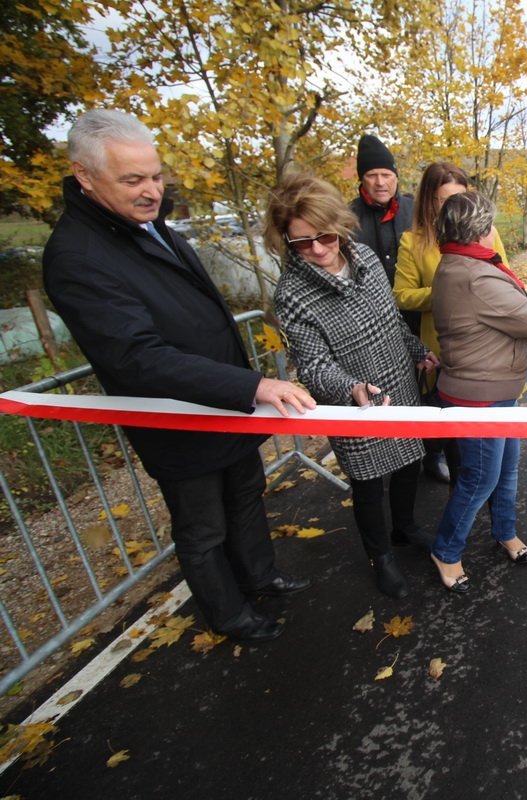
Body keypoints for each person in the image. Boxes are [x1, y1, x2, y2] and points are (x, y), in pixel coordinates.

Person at [42, 109, 314, 643]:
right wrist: (253, 385)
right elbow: (135, 356)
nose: (152, 191)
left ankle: (261, 577)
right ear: (84, 176)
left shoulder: (145, 224)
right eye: (133, 179)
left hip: (224, 407)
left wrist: (239, 388)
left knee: (244, 495)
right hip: (177, 420)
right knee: (203, 525)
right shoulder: (77, 255)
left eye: (156, 175)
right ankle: (228, 613)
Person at [266, 171, 438, 600]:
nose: (317, 249)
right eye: (301, 243)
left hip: (399, 384)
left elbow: (393, 322)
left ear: (339, 226)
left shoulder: (364, 257)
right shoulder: (292, 294)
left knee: (408, 464)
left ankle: (405, 526)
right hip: (354, 404)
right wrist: (352, 388)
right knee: (366, 482)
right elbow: (314, 366)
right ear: (286, 242)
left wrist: (418, 351)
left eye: (324, 236)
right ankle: (380, 557)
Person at [428, 191, 527, 593]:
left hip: (495, 386)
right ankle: (446, 551)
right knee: (481, 478)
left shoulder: (461, 264)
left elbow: (490, 324)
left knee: (506, 469)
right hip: (479, 395)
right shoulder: (475, 274)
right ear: (483, 229)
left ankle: (504, 531)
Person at [394, 162, 512, 486]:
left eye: (460, 197)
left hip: (489, 348)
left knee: (491, 437)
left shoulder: (488, 231)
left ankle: (487, 505)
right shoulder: (413, 242)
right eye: (445, 199)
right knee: (457, 438)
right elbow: (401, 296)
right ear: (429, 200)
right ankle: (443, 469)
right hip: (444, 351)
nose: (454, 207)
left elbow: (505, 276)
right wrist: (447, 292)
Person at [348, 134, 414, 295]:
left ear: (396, 178)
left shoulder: (416, 211)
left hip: (414, 309)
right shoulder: (346, 217)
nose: (380, 182)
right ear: (362, 180)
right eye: (371, 175)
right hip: (369, 309)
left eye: (386, 175)